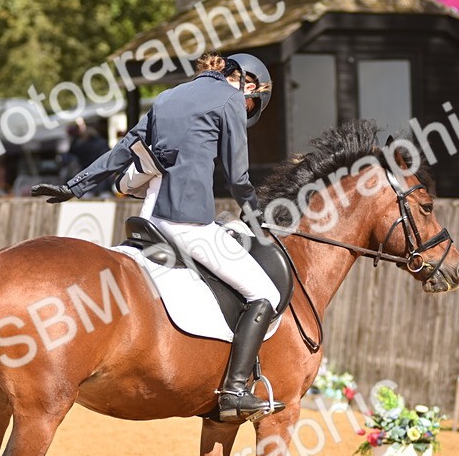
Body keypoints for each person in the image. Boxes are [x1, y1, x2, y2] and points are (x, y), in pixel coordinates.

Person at [31, 52, 280, 422]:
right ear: (244, 83)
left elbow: (122, 149)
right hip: (189, 225)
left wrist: (74, 186)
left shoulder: (166, 98)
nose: (246, 108)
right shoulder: (228, 99)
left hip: (148, 221)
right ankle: (234, 391)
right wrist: (258, 220)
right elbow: (238, 177)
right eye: (250, 101)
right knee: (266, 294)